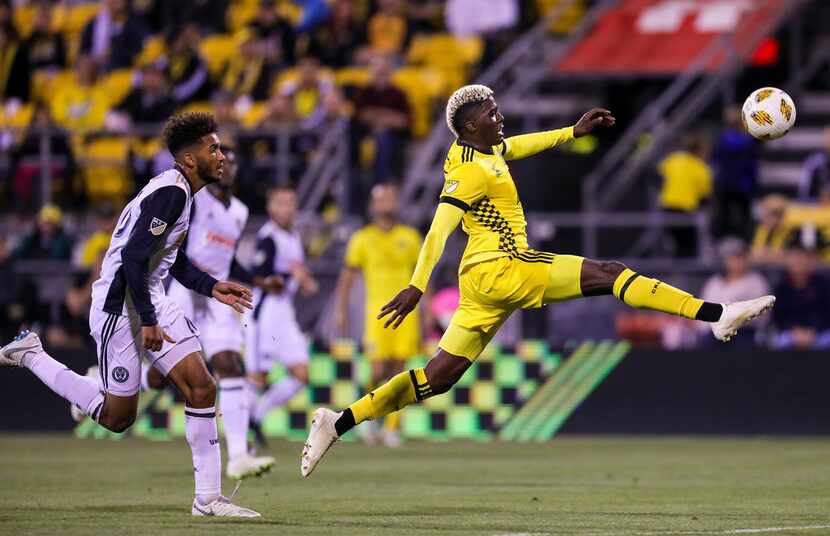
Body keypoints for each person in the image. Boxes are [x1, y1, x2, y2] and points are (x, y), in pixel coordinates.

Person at [301, 84, 777, 477]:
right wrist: (417, 285)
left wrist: (572, 131)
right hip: (503, 267)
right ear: (471, 125)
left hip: (482, 285)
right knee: (609, 274)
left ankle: (337, 422)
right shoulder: (468, 172)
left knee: (437, 378)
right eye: (491, 113)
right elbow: (438, 229)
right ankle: (716, 314)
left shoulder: (482, 150)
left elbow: (518, 146)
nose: (499, 117)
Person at [0, 112, 260, 517]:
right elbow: (134, 259)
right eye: (213, 148)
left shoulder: (183, 193)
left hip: (147, 294)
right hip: (119, 305)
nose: (222, 155)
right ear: (190, 159)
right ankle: (31, 352)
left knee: (201, 386)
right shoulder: (172, 193)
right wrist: (149, 319)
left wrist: (212, 287)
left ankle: (208, 499)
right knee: (117, 418)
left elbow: (169, 262)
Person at [164, 146, 279, 479]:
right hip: (185, 293)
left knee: (229, 364)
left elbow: (227, 259)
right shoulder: (195, 201)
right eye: (220, 161)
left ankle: (239, 455)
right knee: (161, 376)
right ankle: (101, 383)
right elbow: (178, 250)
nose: (226, 167)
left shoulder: (240, 212)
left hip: (217, 297)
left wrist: (255, 279)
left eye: (231, 162)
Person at [334, 184, 424, 447]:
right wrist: (340, 310)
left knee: (399, 371)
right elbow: (347, 277)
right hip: (376, 315)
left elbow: (421, 278)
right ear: (373, 206)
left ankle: (392, 429)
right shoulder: (362, 238)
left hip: (406, 315)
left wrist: (426, 313)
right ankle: (364, 421)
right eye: (381, 199)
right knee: (375, 370)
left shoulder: (411, 237)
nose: (386, 203)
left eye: (390, 197)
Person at [246, 186, 318, 445]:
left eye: (290, 203)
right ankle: (241, 433)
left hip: (285, 314)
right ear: (270, 208)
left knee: (302, 374)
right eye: (281, 203)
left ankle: (255, 416)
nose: (287, 208)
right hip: (266, 314)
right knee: (259, 375)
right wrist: (290, 278)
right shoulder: (268, 237)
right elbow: (258, 276)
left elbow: (294, 270)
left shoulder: (293, 236)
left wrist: (303, 280)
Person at [699, 238, 770, 345]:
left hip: (744, 332)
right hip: (715, 332)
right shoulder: (714, 282)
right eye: (731, 257)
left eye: (739, 257)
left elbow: (762, 314)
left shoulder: (756, 282)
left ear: (746, 258)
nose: (735, 261)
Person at [657, 133, 712, 258]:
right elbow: (705, 196)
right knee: (687, 248)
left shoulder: (674, 159)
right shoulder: (701, 168)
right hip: (685, 211)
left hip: (667, 208)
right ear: (699, 150)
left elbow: (658, 174)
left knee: (672, 244)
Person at [711, 106, 759, 240]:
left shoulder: (721, 140)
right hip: (742, 184)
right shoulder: (748, 141)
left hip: (726, 184)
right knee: (744, 219)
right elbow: (752, 165)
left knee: (723, 218)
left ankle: (723, 242)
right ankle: (745, 242)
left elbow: (715, 161)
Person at [770, 246, 830, 350]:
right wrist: (794, 331)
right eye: (795, 259)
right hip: (790, 333)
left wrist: (813, 331)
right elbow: (778, 316)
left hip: (819, 332)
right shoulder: (782, 286)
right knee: (779, 342)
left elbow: (826, 313)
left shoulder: (823, 284)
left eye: (803, 258)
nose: (799, 262)